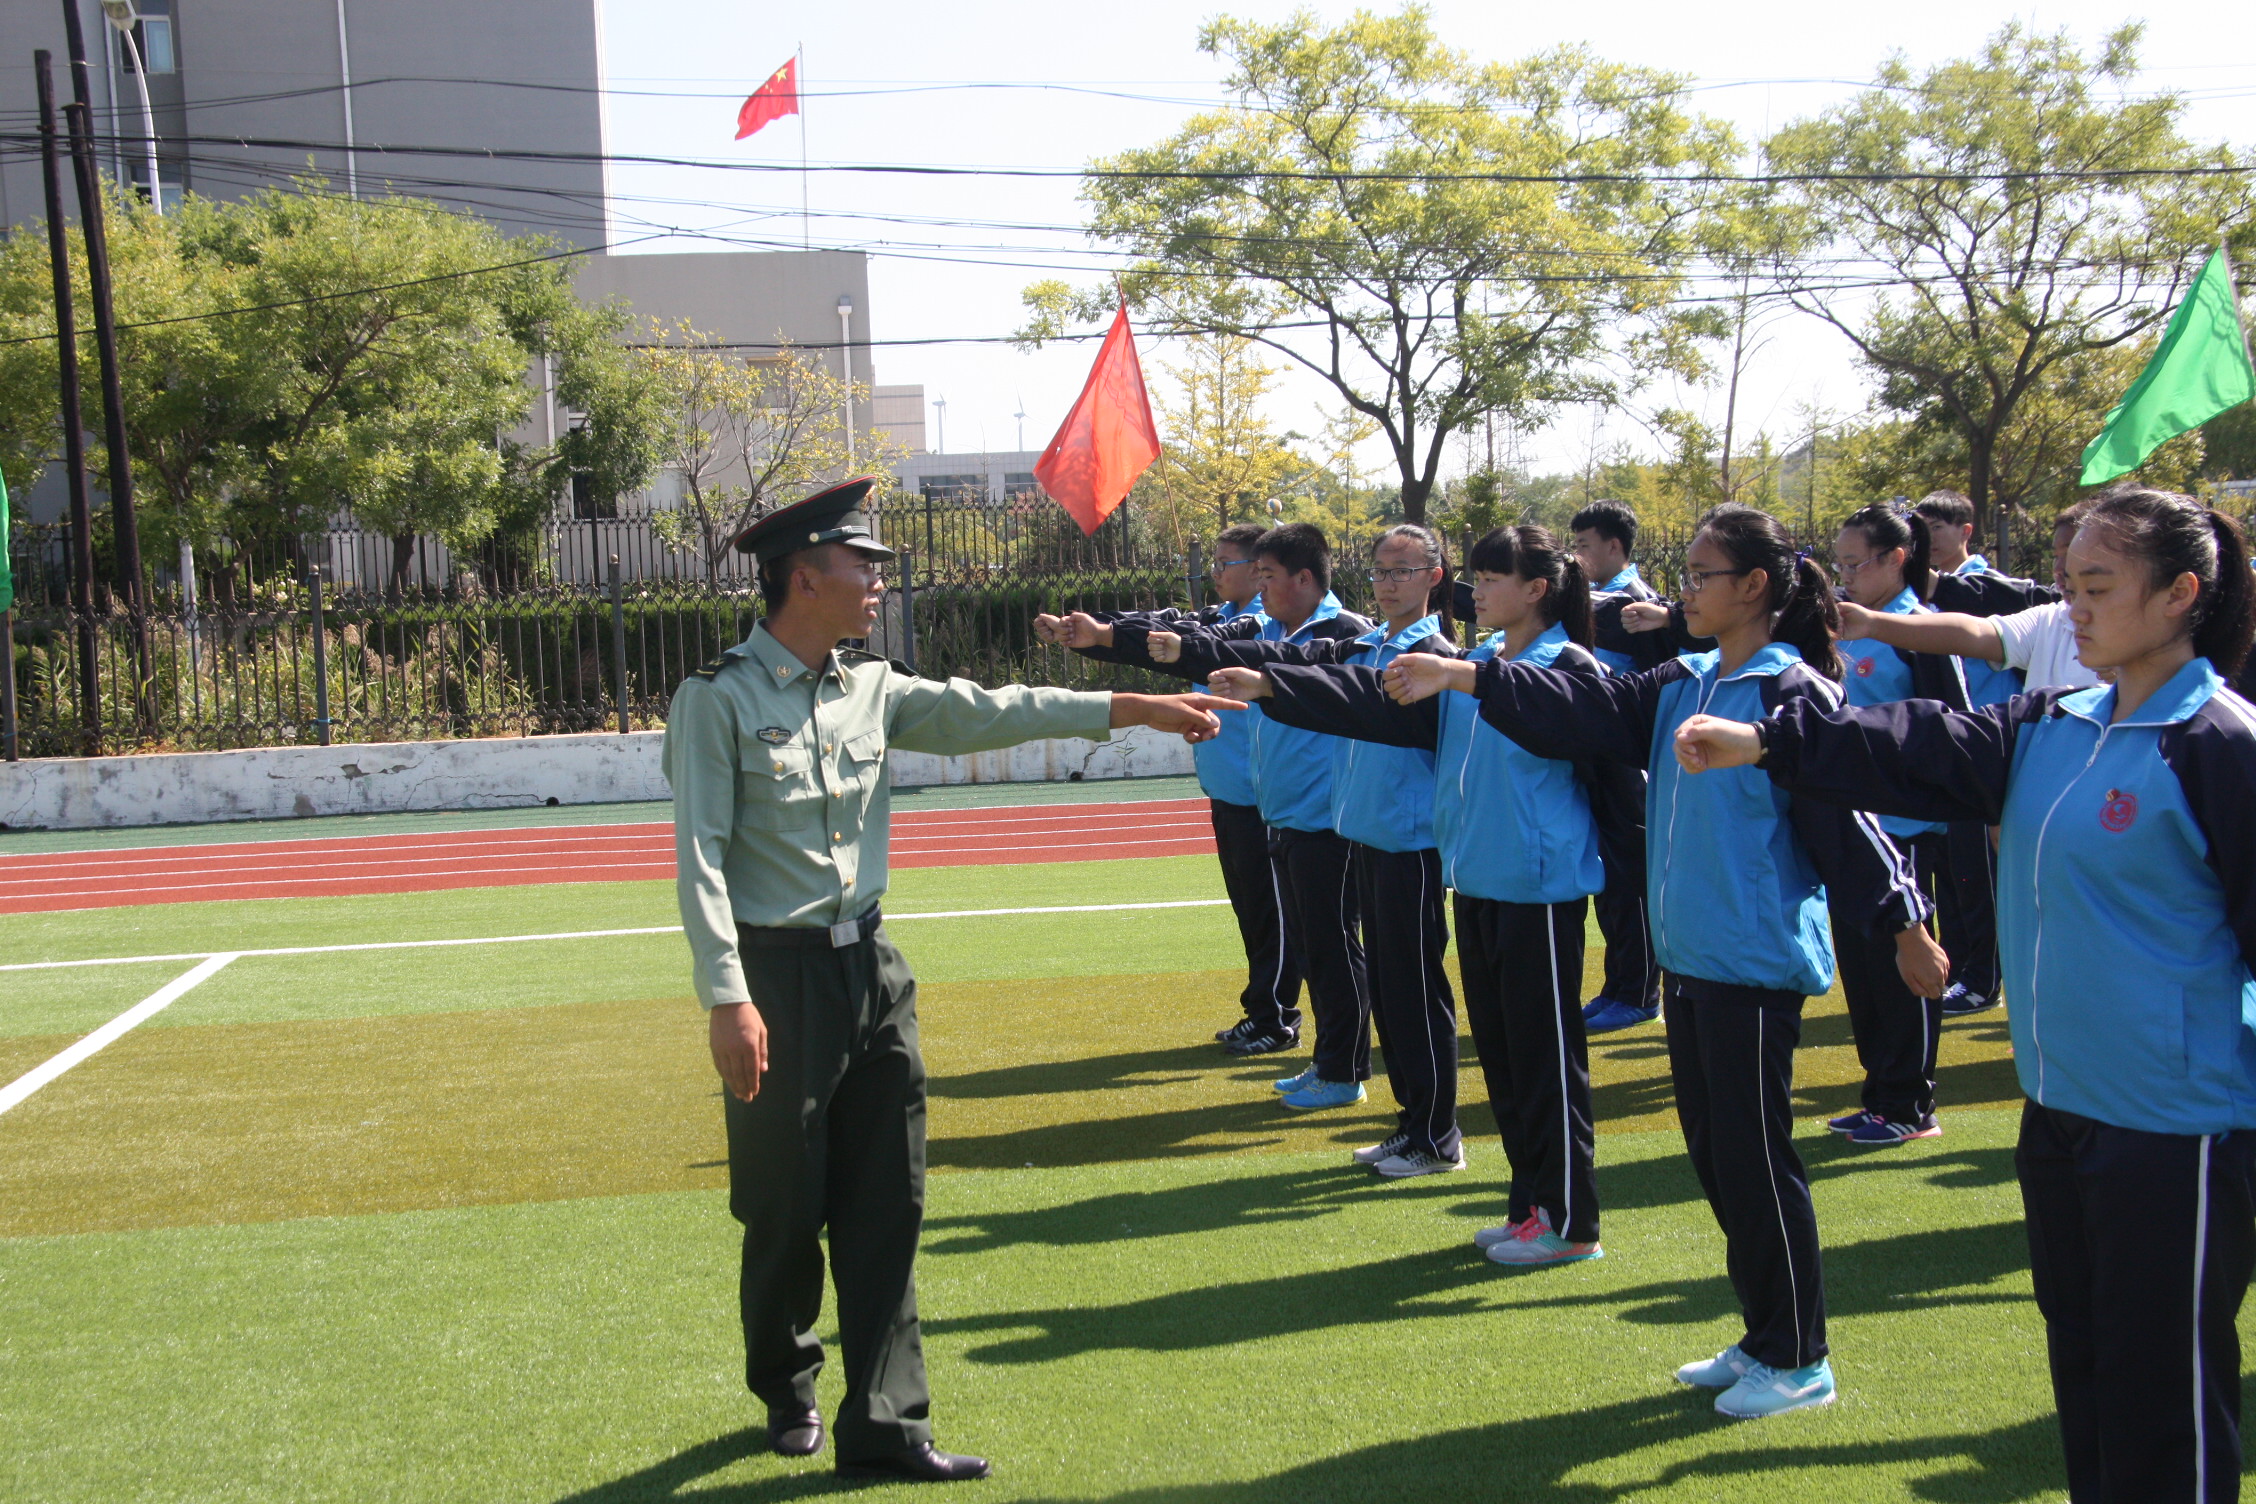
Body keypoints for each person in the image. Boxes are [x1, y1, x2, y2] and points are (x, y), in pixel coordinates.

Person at [1673, 486, 2256, 1499]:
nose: (2072, 610)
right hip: (2062, 1108)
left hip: (2179, 1130)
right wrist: (1767, 741)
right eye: (2069, 586)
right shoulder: (2054, 721)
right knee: (2087, 1369)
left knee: (2164, 1394)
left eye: (2097, 587)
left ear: (2181, 595)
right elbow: (1915, 743)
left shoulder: (2219, 744)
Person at [664, 478, 1238, 1482]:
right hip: (774, 978)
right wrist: (727, 995)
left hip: (872, 970)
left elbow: (993, 711)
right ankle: (787, 1381)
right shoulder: (718, 698)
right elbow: (701, 856)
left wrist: (1132, 705)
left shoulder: (872, 687)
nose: (879, 580)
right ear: (804, 578)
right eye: (862, 565)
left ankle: (887, 1424)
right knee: (783, 1206)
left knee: (889, 1198)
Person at [1383, 504, 1942, 1419]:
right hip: (1691, 958)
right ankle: (1764, 1337)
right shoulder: (1684, 680)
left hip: (1752, 959)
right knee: (1718, 1159)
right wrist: (1469, 675)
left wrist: (1904, 921)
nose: (1684, 591)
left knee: (1756, 1163)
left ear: (1753, 587)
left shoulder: (1790, 691)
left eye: (1700, 576)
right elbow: (1588, 710)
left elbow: (1849, 815)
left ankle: (1799, 1358)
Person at [1215, 525, 1632, 1263]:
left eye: (1492, 579)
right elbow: (1373, 705)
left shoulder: (1561, 662)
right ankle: (1531, 1208)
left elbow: (1582, 728)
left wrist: (1464, 678)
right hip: (1478, 883)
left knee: (1546, 1063)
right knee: (1503, 1062)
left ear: (1536, 589)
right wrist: (1274, 685)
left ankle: (1571, 1223)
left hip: (1538, 892)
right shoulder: (1482, 661)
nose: (1477, 591)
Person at [1177, 525, 1464, 1173]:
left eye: (1403, 571)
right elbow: (1306, 671)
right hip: (1366, 834)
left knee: (1413, 992)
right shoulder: (1372, 644)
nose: (1387, 583)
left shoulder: (1431, 655)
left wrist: (1272, 687)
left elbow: (1351, 698)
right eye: (1381, 570)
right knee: (1386, 988)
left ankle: (1431, 1132)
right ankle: (1412, 1124)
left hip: (1408, 844)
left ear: (1434, 577)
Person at [1033, 522, 1303, 1054]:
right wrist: (1097, 631)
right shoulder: (1219, 615)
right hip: (1230, 793)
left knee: (1274, 916)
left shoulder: (1260, 623)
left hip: (1265, 798)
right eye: (1212, 563)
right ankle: (1263, 1010)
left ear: (1257, 571)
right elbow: (1164, 625)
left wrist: (1108, 636)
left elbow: (1200, 645)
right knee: (1252, 912)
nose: (1212, 573)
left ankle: (1276, 1019)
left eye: (1224, 563)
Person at [1825, 503, 1965, 1145]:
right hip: (1853, 826)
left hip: (1906, 829)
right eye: (1840, 565)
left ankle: (1911, 1104)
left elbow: (1956, 727)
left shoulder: (1923, 630)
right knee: (1863, 972)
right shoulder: (1844, 626)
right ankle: (1880, 1094)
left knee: (1906, 968)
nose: (1846, 577)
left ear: (1897, 559)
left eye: (1856, 564)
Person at [1569, 500, 1666, 1035]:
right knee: (1609, 882)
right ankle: (1618, 986)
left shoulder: (1635, 605)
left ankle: (1639, 992)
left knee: (1630, 880)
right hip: (1600, 760)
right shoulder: (1594, 601)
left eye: (1584, 546)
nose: (1577, 556)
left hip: (1629, 766)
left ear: (1614, 546)